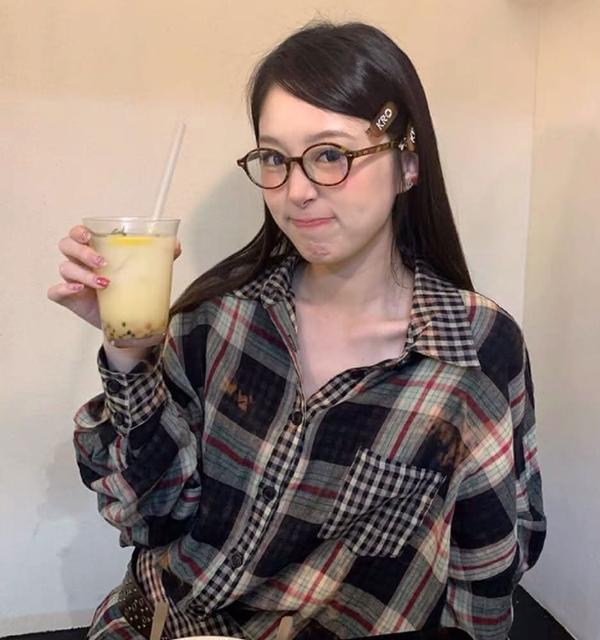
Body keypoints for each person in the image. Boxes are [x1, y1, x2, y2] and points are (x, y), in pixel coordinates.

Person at [48, 21, 546, 640]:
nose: (297, 191)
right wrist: (126, 351)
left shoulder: (472, 351)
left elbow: (489, 568)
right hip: (154, 624)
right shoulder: (217, 318)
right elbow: (150, 517)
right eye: (275, 159)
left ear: (408, 163)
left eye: (332, 155)